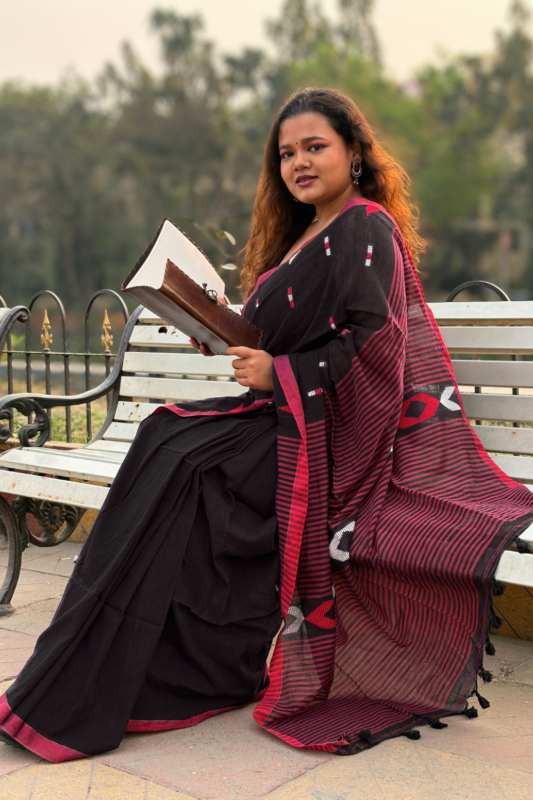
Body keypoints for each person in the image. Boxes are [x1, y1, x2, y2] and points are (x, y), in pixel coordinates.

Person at [1, 87, 532, 762]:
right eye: (286, 153)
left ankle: (179, 668)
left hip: (325, 436)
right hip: (279, 416)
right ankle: (96, 666)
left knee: (179, 451)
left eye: (316, 147)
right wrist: (215, 328)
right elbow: (272, 336)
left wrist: (278, 374)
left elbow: (374, 345)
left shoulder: (364, 227)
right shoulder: (300, 238)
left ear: (355, 155)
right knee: (167, 435)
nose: (299, 163)